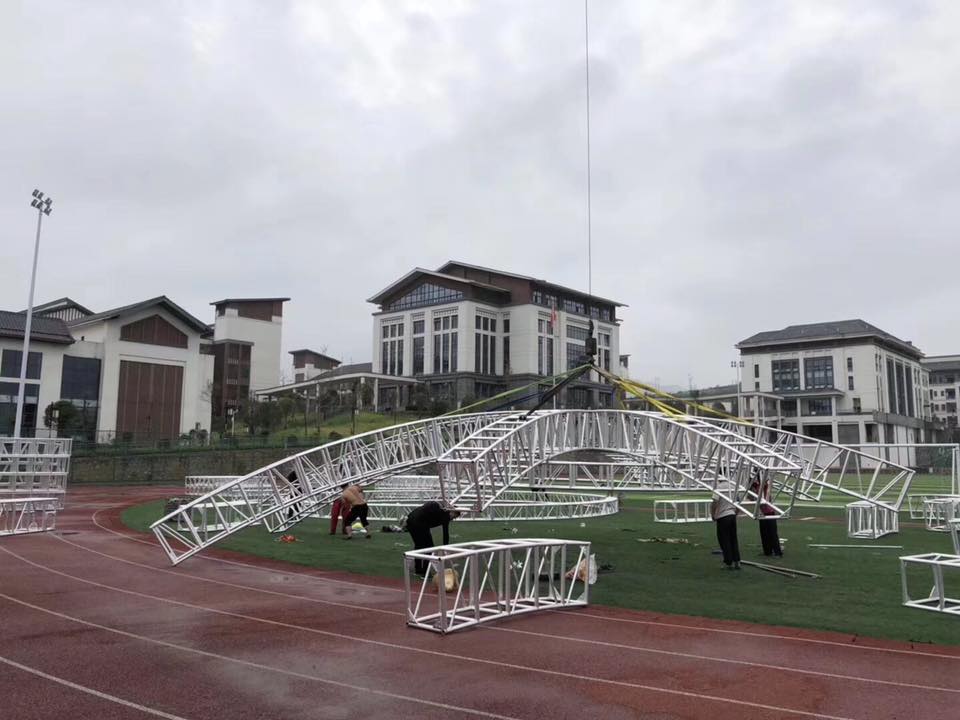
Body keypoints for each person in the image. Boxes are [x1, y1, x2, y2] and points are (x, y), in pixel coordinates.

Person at [406, 500, 462, 576]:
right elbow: (445, 533)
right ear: (452, 512)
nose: (452, 519)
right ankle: (424, 572)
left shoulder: (442, 510)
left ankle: (419, 570)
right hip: (419, 523)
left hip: (411, 520)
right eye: (454, 517)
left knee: (419, 545)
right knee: (429, 547)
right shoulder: (445, 515)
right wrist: (445, 548)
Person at [711, 479, 741, 570]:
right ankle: (737, 561)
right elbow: (738, 501)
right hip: (732, 514)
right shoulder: (733, 486)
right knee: (733, 539)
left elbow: (714, 502)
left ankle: (728, 562)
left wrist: (712, 514)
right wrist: (736, 512)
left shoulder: (719, 487)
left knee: (724, 540)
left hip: (723, 516)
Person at [751, 475, 783, 557]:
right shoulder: (757, 486)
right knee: (764, 533)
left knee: (772, 533)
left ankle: (777, 552)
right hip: (762, 512)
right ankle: (767, 551)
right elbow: (752, 496)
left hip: (769, 512)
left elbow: (765, 484)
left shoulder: (765, 486)